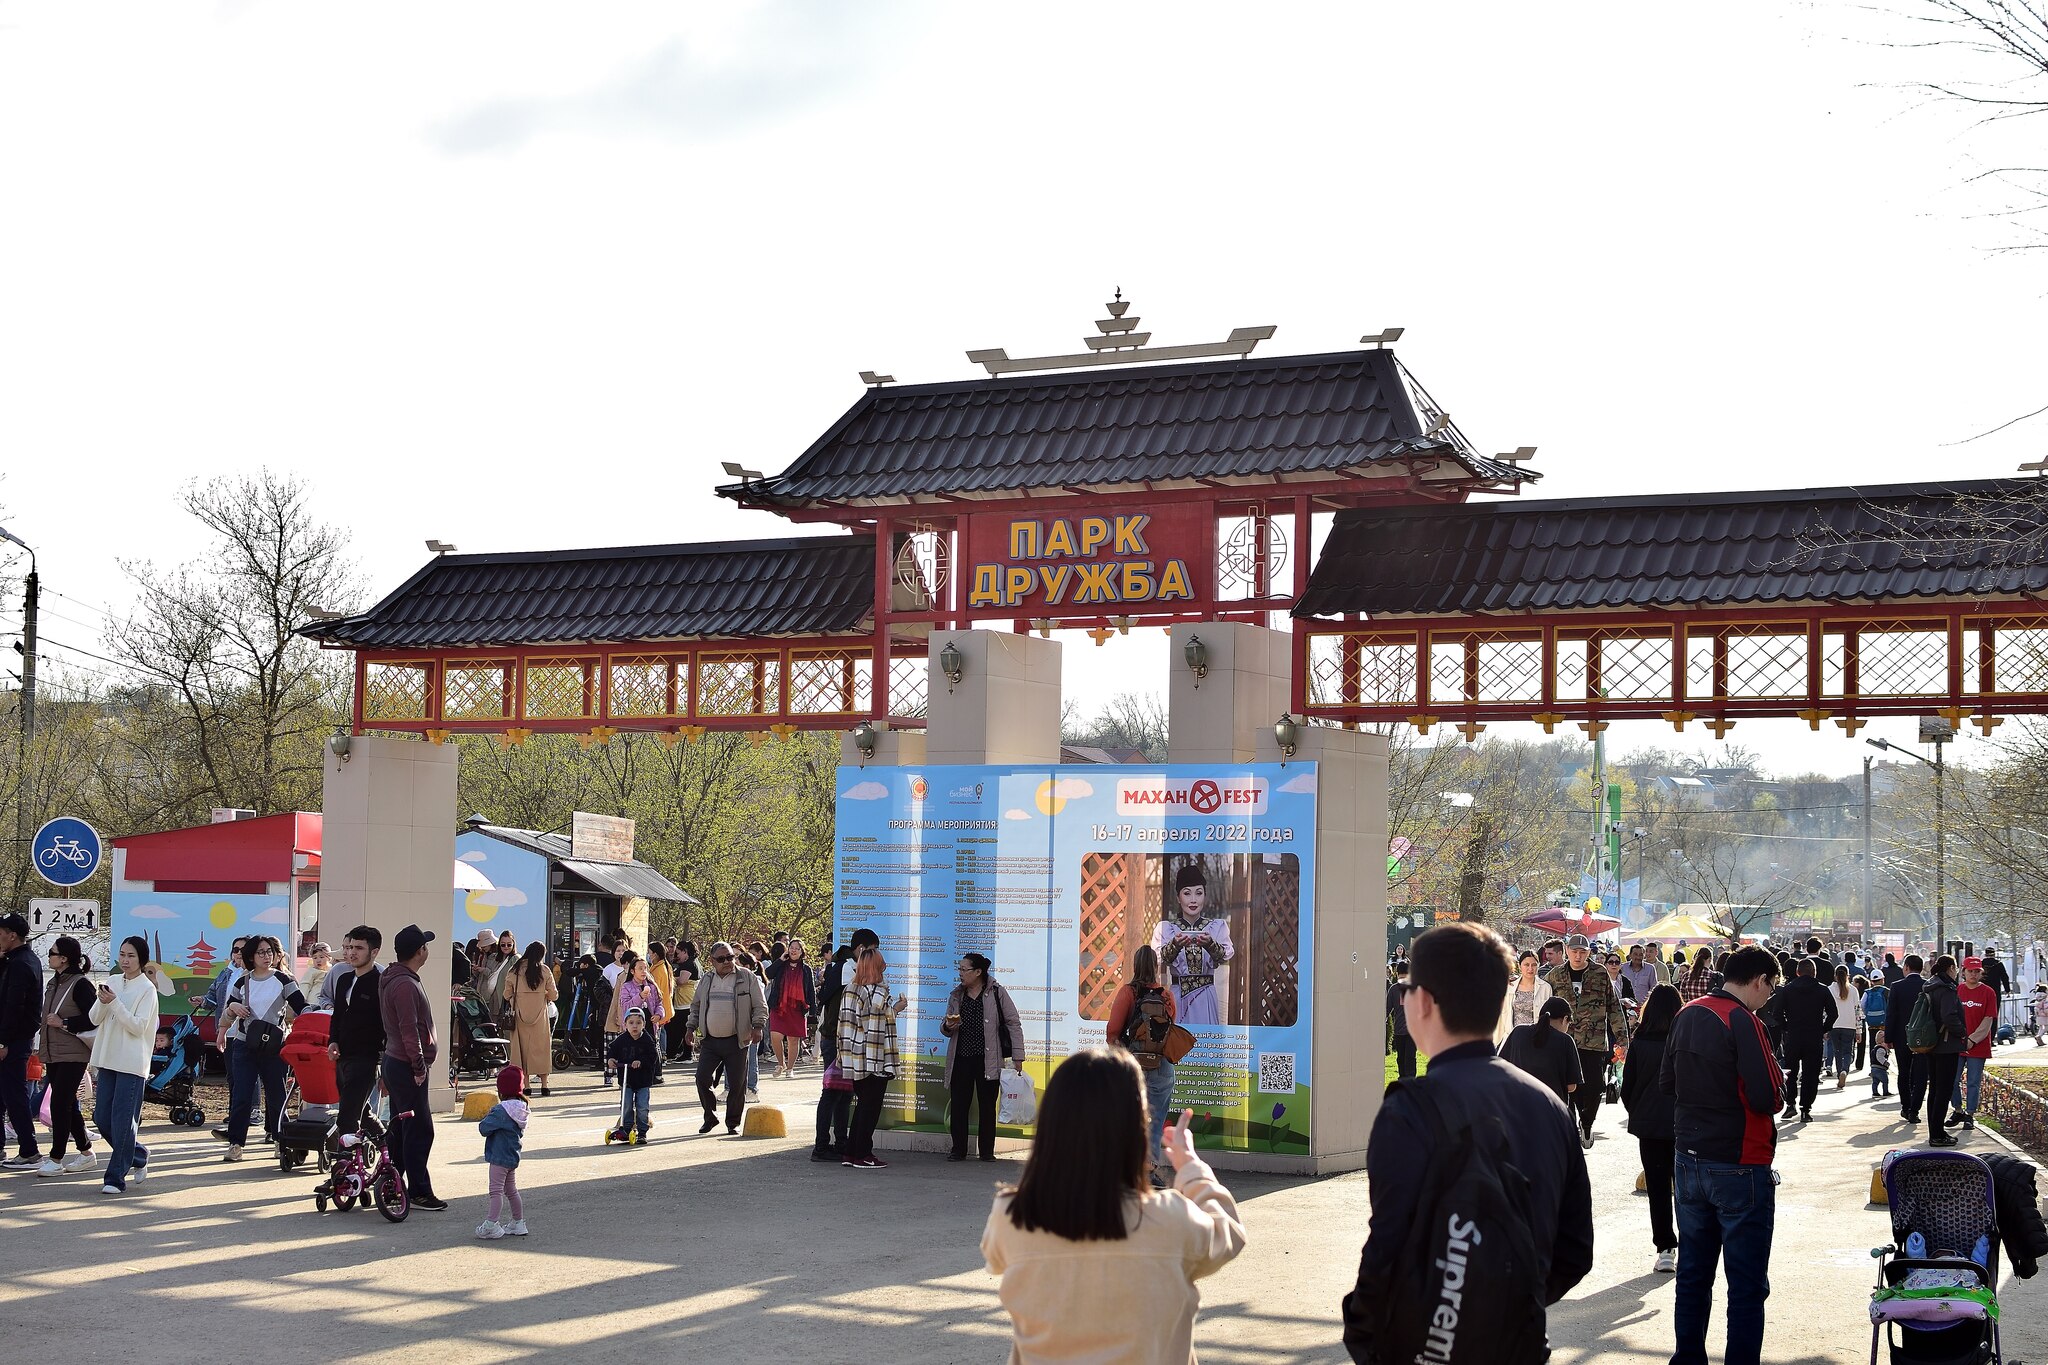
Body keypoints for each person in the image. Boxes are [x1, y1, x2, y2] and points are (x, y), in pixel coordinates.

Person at [1343, 923, 1592, 1363]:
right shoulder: (1551, 1109)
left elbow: (1386, 1247)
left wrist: (1365, 1333)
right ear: (1501, 1003)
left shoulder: (1409, 1110)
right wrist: (1507, 1295)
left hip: (1422, 1347)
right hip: (1520, 1341)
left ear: (1420, 1003)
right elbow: (1574, 1253)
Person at [980, 1048, 1245, 1365]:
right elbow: (1228, 1232)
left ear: (1051, 1126)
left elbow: (996, 1260)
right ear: (1135, 1131)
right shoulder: (1171, 1219)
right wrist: (1190, 1167)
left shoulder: (1012, 1216)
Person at [1661, 944, 1785, 1365]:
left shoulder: (1686, 1012)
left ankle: (1688, 1357)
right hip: (1738, 1162)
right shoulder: (1744, 1021)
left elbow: (1666, 1083)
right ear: (1759, 981)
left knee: (1693, 1275)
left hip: (1688, 1157)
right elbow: (1768, 1096)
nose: (1769, 996)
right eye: (1771, 987)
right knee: (1746, 1284)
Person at [86, 936, 166, 1194]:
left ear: (141, 959)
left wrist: (115, 1003)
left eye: (130, 955)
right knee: (101, 1117)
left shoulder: (147, 989)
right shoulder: (112, 982)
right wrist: (102, 999)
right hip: (107, 1058)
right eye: (122, 955)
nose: (125, 960)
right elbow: (94, 1018)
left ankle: (114, 1178)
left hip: (131, 1062)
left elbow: (139, 1027)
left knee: (123, 1121)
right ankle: (139, 1155)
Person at [220, 936, 310, 1162]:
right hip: (244, 1045)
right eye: (261, 952)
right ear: (251, 956)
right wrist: (230, 1014)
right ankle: (235, 1144)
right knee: (241, 1096)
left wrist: (318, 1014)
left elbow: (301, 1006)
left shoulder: (283, 979)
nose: (266, 956)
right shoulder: (243, 981)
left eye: (269, 951)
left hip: (274, 1046)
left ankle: (282, 1142)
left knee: (277, 1095)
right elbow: (229, 1009)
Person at [379, 924, 446, 1210]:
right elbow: (410, 1030)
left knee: (401, 1128)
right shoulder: (405, 983)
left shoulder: (393, 976)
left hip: (396, 1061)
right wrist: (419, 1067)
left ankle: (393, 1186)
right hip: (406, 1064)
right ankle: (418, 1191)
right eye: (425, 946)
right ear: (420, 951)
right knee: (419, 1129)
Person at [1543, 932, 1630, 1148]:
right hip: (1564, 1041)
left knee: (1594, 1088)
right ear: (1567, 951)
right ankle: (1570, 1127)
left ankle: (1587, 1121)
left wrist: (1622, 1039)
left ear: (1588, 953)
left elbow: (1614, 1008)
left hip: (1594, 1042)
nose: (1578, 956)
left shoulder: (1600, 974)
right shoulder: (1555, 976)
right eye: (1574, 951)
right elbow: (1542, 1005)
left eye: (1582, 952)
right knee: (1567, 1087)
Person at [1621, 984, 1683, 1275]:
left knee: (1658, 1189)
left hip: (1649, 1126)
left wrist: (1639, 1110)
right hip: (1683, 1124)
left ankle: (1666, 1249)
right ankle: (1692, 1244)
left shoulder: (1640, 1042)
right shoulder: (1684, 1040)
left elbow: (1627, 1088)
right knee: (1686, 1189)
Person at [944, 951, 1027, 1166]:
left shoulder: (997, 992)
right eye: (959, 969)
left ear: (978, 972)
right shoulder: (956, 995)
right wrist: (947, 1026)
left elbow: (1013, 1023)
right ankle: (958, 1150)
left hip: (987, 1059)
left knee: (987, 1105)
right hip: (961, 1058)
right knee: (959, 1106)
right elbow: (945, 1028)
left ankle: (987, 1152)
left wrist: (1018, 1055)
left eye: (964, 969)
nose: (960, 973)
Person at [686, 940, 767, 1135]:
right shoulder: (707, 979)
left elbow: (760, 1005)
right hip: (711, 1041)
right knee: (702, 1078)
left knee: (738, 1084)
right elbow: (696, 1006)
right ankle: (710, 1116)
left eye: (730, 957)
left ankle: (733, 1123)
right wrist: (690, 1028)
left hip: (737, 1040)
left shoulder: (746, 977)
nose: (727, 962)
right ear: (712, 961)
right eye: (721, 959)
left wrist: (758, 1026)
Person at [36, 936, 98, 1177]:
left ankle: (56, 1158)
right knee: (67, 1103)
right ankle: (85, 1153)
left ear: (63, 958)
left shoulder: (80, 984)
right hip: (54, 1052)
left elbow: (94, 1017)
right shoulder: (55, 982)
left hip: (73, 1053)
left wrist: (65, 1023)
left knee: (59, 1103)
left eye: (52, 953)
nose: (49, 956)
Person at [811, 930, 875, 1162]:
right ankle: (821, 1146)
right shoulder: (848, 969)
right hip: (836, 1039)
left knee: (844, 1094)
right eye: (872, 950)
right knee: (831, 1092)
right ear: (860, 949)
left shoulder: (844, 966)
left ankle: (840, 1142)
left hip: (843, 1039)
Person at [324, 926, 384, 1173]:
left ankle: (344, 1171)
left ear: (374, 951)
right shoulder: (344, 978)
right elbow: (338, 1015)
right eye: (349, 947)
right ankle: (390, 1147)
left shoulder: (381, 982)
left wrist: (385, 1059)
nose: (351, 953)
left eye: (358, 948)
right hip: (343, 1056)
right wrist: (333, 1040)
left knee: (347, 1116)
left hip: (367, 1057)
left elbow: (386, 1024)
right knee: (363, 1112)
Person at [839, 947, 905, 1169]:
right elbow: (877, 1023)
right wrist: (896, 1008)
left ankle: (851, 1152)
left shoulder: (850, 988)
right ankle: (863, 1154)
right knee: (871, 1107)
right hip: (874, 1057)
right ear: (877, 967)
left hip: (853, 1056)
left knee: (862, 1106)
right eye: (882, 964)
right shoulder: (876, 991)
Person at [1150, 861, 1233, 1026]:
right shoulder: (1167, 929)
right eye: (1187, 893)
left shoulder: (1216, 927)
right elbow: (1158, 958)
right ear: (1178, 898)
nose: (1193, 900)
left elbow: (1225, 956)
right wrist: (1174, 945)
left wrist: (1210, 944)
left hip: (1206, 996)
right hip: (1178, 996)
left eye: (1199, 893)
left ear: (1205, 896)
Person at [0, 912, 46, 1169]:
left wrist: (3, 1042)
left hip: (13, 1041)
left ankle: (29, 1151)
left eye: (0, 933)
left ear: (12, 935)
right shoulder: (16, 959)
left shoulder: (21, 963)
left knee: (14, 1094)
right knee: (4, 1094)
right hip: (11, 1038)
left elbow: (13, 1006)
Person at [1774, 957, 1836, 1124]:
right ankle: (1806, 1109)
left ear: (1797, 972)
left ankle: (1790, 1104)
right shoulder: (1822, 990)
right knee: (1811, 1074)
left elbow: (1777, 1013)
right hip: (1814, 1036)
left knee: (1790, 1073)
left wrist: (1786, 1027)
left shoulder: (1787, 990)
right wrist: (1823, 1028)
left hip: (1793, 1036)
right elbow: (1833, 1013)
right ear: (1814, 972)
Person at [1920, 954, 1969, 1147]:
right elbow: (1949, 1016)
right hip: (1947, 1045)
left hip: (1931, 1042)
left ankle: (1934, 1130)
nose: (1957, 972)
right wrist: (1962, 1031)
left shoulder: (1930, 986)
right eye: (1956, 968)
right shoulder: (1947, 989)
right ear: (1950, 968)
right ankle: (1938, 1134)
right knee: (1944, 1090)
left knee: (1934, 1089)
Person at [476, 1064, 530, 1240]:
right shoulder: (520, 1108)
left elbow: (484, 1128)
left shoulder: (501, 1110)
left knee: (495, 1191)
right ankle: (518, 1222)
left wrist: (488, 1115)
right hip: (512, 1155)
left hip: (498, 1157)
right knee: (511, 1190)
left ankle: (492, 1224)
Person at [1499, 996, 1584, 1105]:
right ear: (1564, 1019)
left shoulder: (1518, 1032)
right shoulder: (1565, 1041)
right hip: (1551, 1109)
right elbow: (1571, 1086)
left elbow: (1502, 1067)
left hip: (1517, 1107)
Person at [503, 942, 558, 1097]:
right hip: (540, 1016)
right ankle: (545, 1085)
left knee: (522, 1050)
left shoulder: (514, 971)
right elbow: (554, 995)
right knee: (541, 1049)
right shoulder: (545, 970)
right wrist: (544, 994)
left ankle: (526, 1085)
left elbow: (506, 994)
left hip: (520, 1016)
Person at [1948, 956, 1996, 1129]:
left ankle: (1970, 1114)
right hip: (1956, 1044)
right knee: (1952, 1079)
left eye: (1977, 971)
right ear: (1963, 971)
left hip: (1978, 1045)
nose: (1973, 975)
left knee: (1973, 1082)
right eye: (1970, 971)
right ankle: (1958, 1110)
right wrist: (1960, 1038)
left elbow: (1988, 1019)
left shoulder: (1988, 992)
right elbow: (1950, 1016)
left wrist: (1972, 1040)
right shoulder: (1956, 990)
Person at [1883, 953, 1930, 1124]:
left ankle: (1905, 1106)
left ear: (1906, 967)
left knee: (1904, 1072)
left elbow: (1891, 1014)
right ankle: (1915, 1110)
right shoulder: (1927, 986)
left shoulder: (1896, 986)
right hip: (1923, 1039)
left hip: (1902, 1037)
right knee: (1920, 1075)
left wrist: (1888, 1037)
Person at [606, 1009, 661, 1143]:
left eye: (638, 1023)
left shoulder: (647, 1039)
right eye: (631, 1023)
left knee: (642, 1106)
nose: (634, 1026)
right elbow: (612, 1049)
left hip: (643, 1080)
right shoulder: (622, 1039)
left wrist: (641, 1062)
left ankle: (642, 1131)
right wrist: (611, 1059)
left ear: (643, 1024)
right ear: (625, 1025)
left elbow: (653, 1056)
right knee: (626, 1104)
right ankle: (626, 1128)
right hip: (627, 1079)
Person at [765, 939, 816, 1079]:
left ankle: (790, 1068)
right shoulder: (781, 965)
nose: (793, 950)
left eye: (797, 948)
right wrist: (780, 960)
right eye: (791, 947)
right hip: (779, 1005)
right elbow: (768, 974)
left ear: (802, 951)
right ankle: (780, 1064)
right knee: (775, 1035)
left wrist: (813, 1011)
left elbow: (811, 991)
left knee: (793, 1039)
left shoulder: (806, 969)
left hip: (797, 1008)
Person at [1494, 949, 1555, 1047]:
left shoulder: (1545, 988)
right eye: (1526, 965)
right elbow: (1502, 1016)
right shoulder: (1510, 986)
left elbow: (1549, 1018)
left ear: (1538, 965)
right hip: (1513, 1038)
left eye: (1534, 965)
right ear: (1519, 966)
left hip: (1536, 1039)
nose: (1530, 969)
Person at [1827, 967, 1861, 1088]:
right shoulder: (1853, 990)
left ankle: (1839, 1071)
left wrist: (1825, 1028)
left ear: (1835, 975)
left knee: (1837, 1050)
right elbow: (1858, 1011)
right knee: (1848, 1051)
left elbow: (1826, 1010)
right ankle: (1844, 1070)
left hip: (1834, 1024)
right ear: (1848, 975)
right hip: (1850, 1024)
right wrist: (1859, 1030)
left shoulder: (1829, 989)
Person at [668, 941, 699, 1062]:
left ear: (685, 952)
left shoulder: (688, 965)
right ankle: (683, 1052)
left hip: (686, 1003)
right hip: (684, 1002)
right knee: (682, 1028)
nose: (677, 955)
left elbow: (682, 981)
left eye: (678, 953)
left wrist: (670, 978)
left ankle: (687, 1054)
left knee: (686, 1028)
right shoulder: (691, 963)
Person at [1385, 959, 1415, 1079]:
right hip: (1405, 1031)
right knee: (1405, 1058)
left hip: (1407, 1031)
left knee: (1406, 1058)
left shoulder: (1411, 989)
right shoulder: (1395, 990)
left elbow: (1387, 1010)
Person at [299, 943, 334, 1009]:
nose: (318, 960)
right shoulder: (311, 971)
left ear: (329, 958)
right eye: (315, 958)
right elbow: (305, 985)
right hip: (313, 1002)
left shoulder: (332, 971)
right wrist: (301, 1001)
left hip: (327, 1002)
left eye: (321, 957)